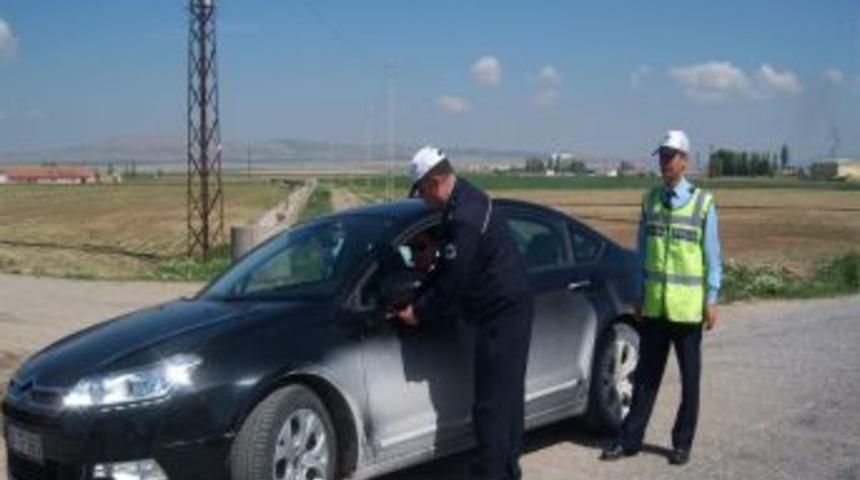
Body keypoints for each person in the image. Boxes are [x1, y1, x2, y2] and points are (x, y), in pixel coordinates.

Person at [394, 146, 534, 480]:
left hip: (500, 314)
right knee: (507, 400)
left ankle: (490, 473)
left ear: (437, 181)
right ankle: (507, 470)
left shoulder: (466, 215)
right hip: (510, 308)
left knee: (491, 406)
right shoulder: (466, 200)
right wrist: (437, 249)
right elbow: (458, 249)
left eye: (423, 190)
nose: (423, 199)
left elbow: (454, 281)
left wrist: (418, 311)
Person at [601, 130, 722, 466]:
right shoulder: (650, 200)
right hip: (654, 306)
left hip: (687, 311)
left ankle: (682, 443)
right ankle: (629, 439)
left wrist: (711, 299)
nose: (665, 162)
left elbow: (713, 257)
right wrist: (638, 295)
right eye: (662, 156)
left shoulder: (702, 203)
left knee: (690, 382)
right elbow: (642, 255)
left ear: (685, 161)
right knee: (645, 379)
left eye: (671, 156)